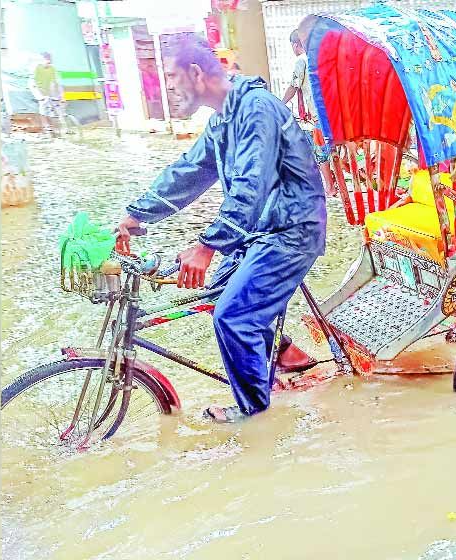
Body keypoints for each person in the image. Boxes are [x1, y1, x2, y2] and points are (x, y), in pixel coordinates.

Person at [115, 37, 328, 423]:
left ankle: (254, 413)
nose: (171, 87)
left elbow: (249, 187)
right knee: (219, 294)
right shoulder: (224, 119)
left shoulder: (257, 110)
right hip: (258, 230)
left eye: (174, 77)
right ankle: (286, 353)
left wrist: (207, 246)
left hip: (291, 229)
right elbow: (191, 169)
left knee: (233, 317)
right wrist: (136, 215)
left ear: (196, 74)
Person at [282, 29, 335, 193]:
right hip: (326, 111)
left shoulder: (301, 61)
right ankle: (329, 181)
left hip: (317, 114)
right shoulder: (316, 58)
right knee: (321, 148)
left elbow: (294, 86)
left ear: (295, 45)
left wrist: (281, 103)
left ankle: (330, 186)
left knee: (319, 150)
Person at [29, 52, 65, 137]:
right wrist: (40, 96)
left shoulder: (52, 68)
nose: (48, 62)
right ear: (42, 60)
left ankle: (58, 126)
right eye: (46, 60)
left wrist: (61, 96)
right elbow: (34, 83)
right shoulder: (37, 68)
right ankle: (46, 127)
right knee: (43, 104)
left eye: (50, 61)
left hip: (47, 88)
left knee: (55, 104)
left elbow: (56, 83)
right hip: (37, 87)